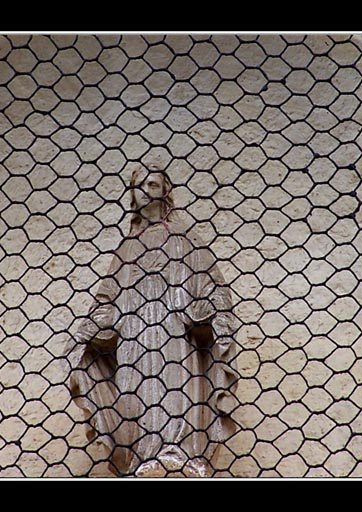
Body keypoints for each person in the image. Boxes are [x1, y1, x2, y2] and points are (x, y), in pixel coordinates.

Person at [67, 165, 238, 477]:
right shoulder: (126, 249)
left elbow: (213, 290)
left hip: (173, 334)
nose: (146, 191)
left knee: (173, 388)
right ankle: (139, 457)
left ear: (166, 192)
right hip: (133, 338)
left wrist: (203, 309)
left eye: (153, 184)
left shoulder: (186, 240)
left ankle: (176, 452)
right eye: (140, 186)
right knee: (135, 394)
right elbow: (107, 300)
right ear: (131, 195)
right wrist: (89, 330)